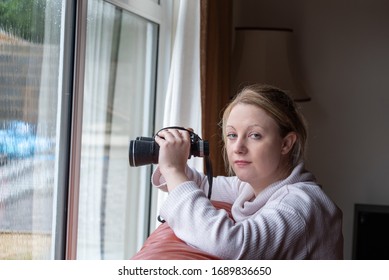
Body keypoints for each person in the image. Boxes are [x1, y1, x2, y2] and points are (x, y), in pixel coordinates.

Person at [152, 84, 343, 259]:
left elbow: (230, 244)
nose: (238, 147)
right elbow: (200, 185)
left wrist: (173, 169)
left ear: (285, 144)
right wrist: (175, 158)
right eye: (232, 135)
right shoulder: (251, 187)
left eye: (254, 135)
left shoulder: (301, 206)